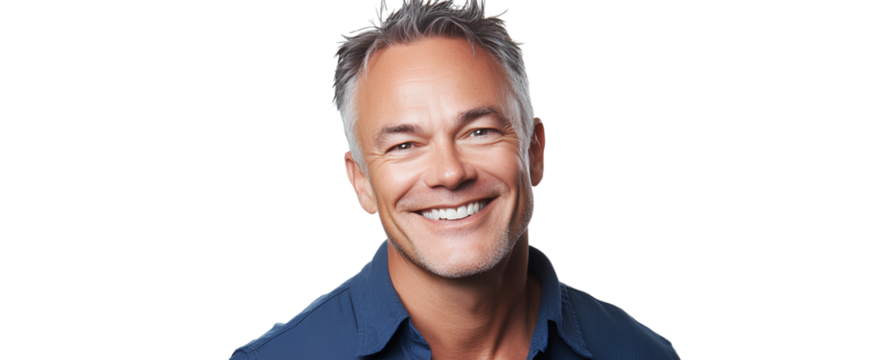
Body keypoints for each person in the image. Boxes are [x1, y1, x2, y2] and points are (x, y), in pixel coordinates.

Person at [229, 1, 680, 359]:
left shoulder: (643, 354)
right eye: (404, 144)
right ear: (361, 182)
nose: (450, 172)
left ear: (535, 152)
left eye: (479, 132)